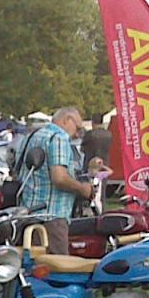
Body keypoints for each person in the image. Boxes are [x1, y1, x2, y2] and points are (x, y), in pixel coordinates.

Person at [14, 107, 93, 254]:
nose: (77, 134)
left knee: (34, 261)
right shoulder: (58, 137)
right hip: (52, 216)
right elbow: (59, 178)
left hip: (29, 214)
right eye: (78, 128)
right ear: (67, 120)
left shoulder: (31, 136)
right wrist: (83, 189)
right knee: (57, 265)